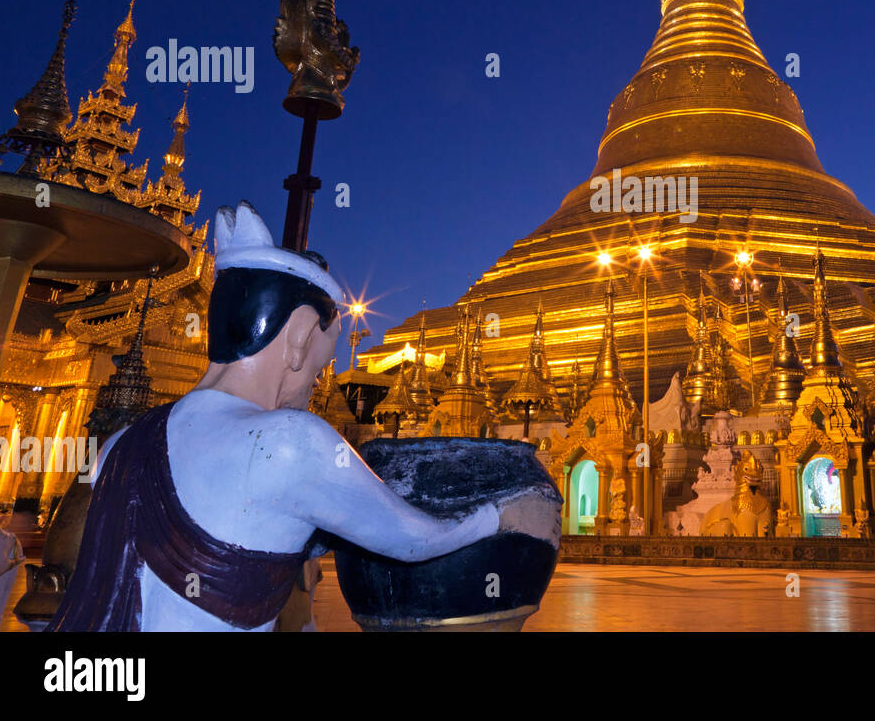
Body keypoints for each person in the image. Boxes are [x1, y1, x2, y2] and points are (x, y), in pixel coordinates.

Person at [49, 201, 556, 632]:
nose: (316, 382)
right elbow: (416, 540)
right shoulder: (290, 440)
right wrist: (505, 515)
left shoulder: (121, 441)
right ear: (297, 339)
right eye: (320, 363)